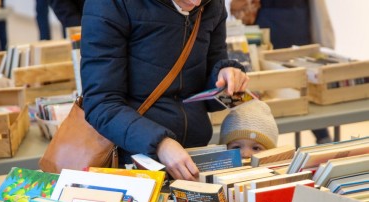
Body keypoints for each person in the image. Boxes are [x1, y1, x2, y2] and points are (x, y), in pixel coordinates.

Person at [80, 0, 249, 181]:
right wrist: (160, 144)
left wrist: (228, 80)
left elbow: (209, 101)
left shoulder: (212, 5)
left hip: (195, 158)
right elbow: (101, 104)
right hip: (134, 164)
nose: (195, 2)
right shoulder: (111, 4)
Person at [229, 0, 334, 144]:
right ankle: (259, 140)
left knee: (299, 82)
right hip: (273, 20)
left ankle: (322, 136)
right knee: (270, 83)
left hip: (292, 21)